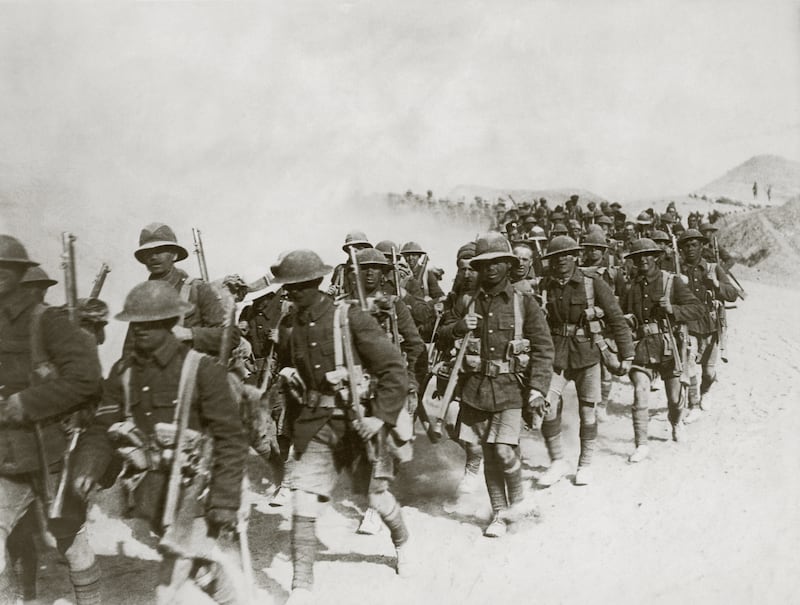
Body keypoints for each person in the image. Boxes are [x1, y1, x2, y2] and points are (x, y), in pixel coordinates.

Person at [74, 281, 249, 604]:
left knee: (169, 588)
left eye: (152, 324)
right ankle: (229, 596)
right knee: (195, 565)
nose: (142, 331)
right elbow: (102, 426)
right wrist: (88, 466)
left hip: (197, 491)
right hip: (153, 491)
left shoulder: (201, 368)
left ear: (172, 324)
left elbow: (230, 439)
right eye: (137, 323)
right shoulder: (124, 371)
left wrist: (225, 500)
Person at [270, 250, 412, 603]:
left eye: (298, 288)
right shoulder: (292, 326)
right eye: (288, 289)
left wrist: (379, 415)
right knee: (302, 500)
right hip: (317, 425)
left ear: (315, 284)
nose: (291, 295)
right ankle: (301, 586)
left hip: (359, 424)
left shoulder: (350, 318)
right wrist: (288, 377)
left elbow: (393, 370)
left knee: (376, 498)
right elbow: (292, 371)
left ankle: (402, 541)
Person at [0, 235, 103, 604]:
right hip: (5, 457)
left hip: (50, 452)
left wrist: (26, 402)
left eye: (3, 270)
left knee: (71, 541)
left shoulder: (48, 321)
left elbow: (87, 379)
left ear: (19, 273)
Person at [439, 232, 553, 537]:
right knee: (488, 455)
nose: (491, 269)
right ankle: (501, 514)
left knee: (503, 451)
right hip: (475, 389)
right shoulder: (466, 300)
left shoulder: (523, 302)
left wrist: (539, 388)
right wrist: (459, 327)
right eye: (484, 263)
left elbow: (543, 347)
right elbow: (441, 333)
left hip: (511, 388)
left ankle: (519, 499)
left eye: (498, 262)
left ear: (508, 265)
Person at [536, 236, 633, 486]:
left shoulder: (592, 283)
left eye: (567, 255)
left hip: (587, 354)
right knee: (545, 406)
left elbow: (616, 318)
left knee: (587, 411)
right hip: (556, 355)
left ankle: (585, 464)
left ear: (575, 257)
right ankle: (557, 461)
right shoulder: (545, 285)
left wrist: (627, 354)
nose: (561, 261)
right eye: (556, 257)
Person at [352, 247, 425, 535]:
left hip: (390, 384)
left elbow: (415, 344)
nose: (370, 272)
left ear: (384, 273)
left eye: (376, 268)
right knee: (361, 443)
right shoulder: (347, 306)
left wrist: (407, 378)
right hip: (358, 384)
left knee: (384, 443)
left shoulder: (394, 305)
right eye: (365, 267)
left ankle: (374, 508)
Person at [620, 239, 705, 462]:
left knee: (675, 399)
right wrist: (627, 321)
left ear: (656, 257)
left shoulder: (671, 281)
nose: (643, 260)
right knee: (640, 393)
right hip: (642, 349)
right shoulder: (631, 287)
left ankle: (676, 422)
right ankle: (641, 444)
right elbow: (621, 316)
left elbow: (698, 308)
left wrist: (673, 309)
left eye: (648, 255)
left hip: (670, 348)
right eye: (638, 256)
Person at [128, 222, 235, 356]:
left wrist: (190, 334)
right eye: (148, 252)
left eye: (160, 251)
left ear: (175, 255)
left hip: (192, 373)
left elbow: (232, 336)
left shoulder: (198, 289)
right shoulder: (141, 301)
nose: (153, 257)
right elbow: (129, 350)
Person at [677, 230, 739, 422]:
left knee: (709, 370)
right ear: (681, 249)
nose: (690, 249)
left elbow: (733, 294)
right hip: (689, 324)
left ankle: (706, 391)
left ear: (702, 246)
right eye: (686, 245)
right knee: (689, 365)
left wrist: (716, 285)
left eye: (694, 244)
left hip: (711, 324)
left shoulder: (713, 268)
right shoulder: (677, 271)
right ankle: (693, 404)